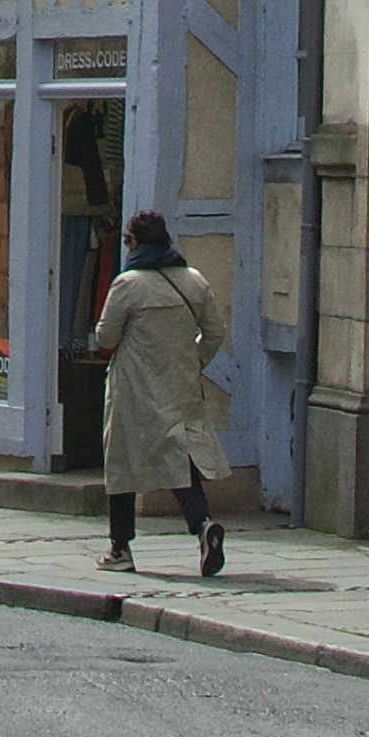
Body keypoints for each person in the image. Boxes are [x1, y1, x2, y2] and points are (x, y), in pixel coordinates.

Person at [84, 210, 229, 578]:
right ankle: (202, 524)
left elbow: (105, 337)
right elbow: (215, 332)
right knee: (180, 458)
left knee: (122, 461)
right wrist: (194, 360)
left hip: (134, 386)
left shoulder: (128, 284)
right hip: (179, 383)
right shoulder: (194, 281)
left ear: (133, 242)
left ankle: (120, 547)